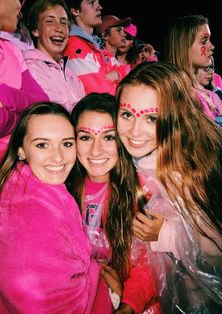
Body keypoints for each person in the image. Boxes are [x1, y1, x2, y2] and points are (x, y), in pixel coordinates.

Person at [0, 101, 120, 313]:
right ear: (21, 150)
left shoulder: (30, 185)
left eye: (66, 144)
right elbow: (50, 306)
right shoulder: (28, 214)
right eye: (42, 145)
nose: (57, 157)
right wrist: (110, 295)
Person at [116, 61, 222, 313]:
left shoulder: (191, 169)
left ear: (176, 115)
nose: (134, 130)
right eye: (127, 114)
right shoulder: (137, 160)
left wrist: (163, 233)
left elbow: (216, 247)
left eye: (152, 118)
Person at [67, 93, 162, 314]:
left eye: (108, 137)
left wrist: (128, 304)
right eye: (85, 137)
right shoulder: (61, 189)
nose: (96, 150)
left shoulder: (142, 191)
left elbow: (151, 264)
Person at [0, 0, 49, 182]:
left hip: (20, 166)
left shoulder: (11, 48)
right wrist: (23, 121)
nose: (20, 9)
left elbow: (42, 104)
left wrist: (5, 95)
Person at [23, 0, 85, 113]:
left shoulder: (70, 74)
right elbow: (51, 111)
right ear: (35, 30)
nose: (59, 29)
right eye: (50, 21)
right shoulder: (30, 67)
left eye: (64, 23)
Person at [164, 14, 222, 119]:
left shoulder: (203, 91)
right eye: (204, 41)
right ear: (184, 46)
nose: (212, 46)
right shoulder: (177, 96)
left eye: (209, 40)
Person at [63, 0, 124, 95]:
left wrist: (116, 75)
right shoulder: (74, 45)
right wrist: (117, 75)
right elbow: (100, 94)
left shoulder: (95, 45)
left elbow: (126, 71)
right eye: (91, 2)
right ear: (75, 11)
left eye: (98, 2)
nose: (99, 7)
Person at [96, 15, 130, 83]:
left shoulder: (121, 66)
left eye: (123, 31)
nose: (124, 34)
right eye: (119, 30)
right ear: (105, 35)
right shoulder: (96, 59)